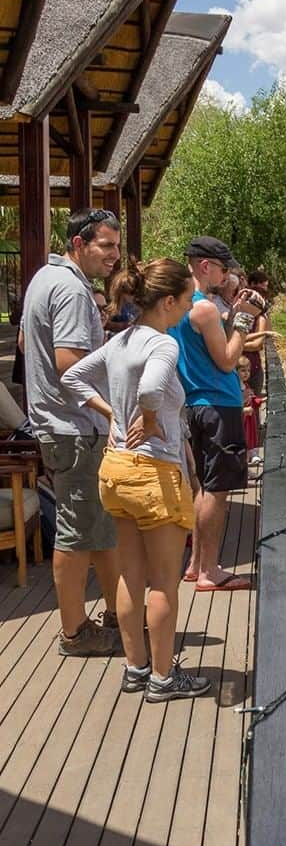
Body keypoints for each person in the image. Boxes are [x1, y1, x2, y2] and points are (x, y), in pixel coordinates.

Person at [61, 258, 211, 701]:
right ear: (167, 301)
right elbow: (151, 389)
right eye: (185, 302)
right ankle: (164, 678)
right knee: (164, 580)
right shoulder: (163, 345)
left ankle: (135, 667)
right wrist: (145, 417)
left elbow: (71, 376)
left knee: (131, 575)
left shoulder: (120, 341)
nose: (187, 310)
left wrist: (111, 414)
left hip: (117, 470)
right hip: (154, 474)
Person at [20, 208, 121, 656]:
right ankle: (75, 632)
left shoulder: (44, 278)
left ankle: (118, 613)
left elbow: (27, 344)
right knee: (76, 534)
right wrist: (111, 408)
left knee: (97, 526)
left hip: (59, 427)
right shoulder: (73, 290)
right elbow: (69, 364)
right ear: (79, 244)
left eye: (117, 246)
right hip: (75, 430)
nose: (115, 255)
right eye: (107, 246)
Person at [171, 237, 265, 591]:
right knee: (219, 491)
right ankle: (211, 570)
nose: (227, 276)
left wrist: (233, 311)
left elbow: (210, 348)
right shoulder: (204, 308)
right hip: (218, 405)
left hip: (193, 404)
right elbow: (226, 359)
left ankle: (196, 565)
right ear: (205, 266)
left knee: (203, 488)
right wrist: (243, 322)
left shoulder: (180, 306)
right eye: (224, 269)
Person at [243, 269, 271, 396]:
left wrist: (231, 346)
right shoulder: (239, 315)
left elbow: (258, 344)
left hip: (252, 368)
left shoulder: (261, 317)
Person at [236, 356, 262, 466]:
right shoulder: (236, 387)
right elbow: (236, 404)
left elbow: (253, 399)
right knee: (242, 441)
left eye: (248, 370)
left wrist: (262, 400)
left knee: (249, 439)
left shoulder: (246, 385)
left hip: (249, 418)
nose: (246, 373)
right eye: (242, 370)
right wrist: (244, 409)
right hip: (242, 419)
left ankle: (248, 462)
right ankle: (244, 466)